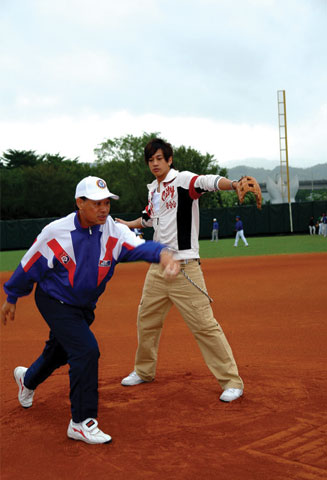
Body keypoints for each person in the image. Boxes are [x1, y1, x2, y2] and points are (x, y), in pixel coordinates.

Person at [1, 175, 179, 444]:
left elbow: (140, 247)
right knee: (85, 350)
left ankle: (28, 379)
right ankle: (82, 421)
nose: (104, 208)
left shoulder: (113, 231)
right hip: (54, 300)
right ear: (79, 203)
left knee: (59, 351)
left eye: (106, 202)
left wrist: (163, 255)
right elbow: (30, 264)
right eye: (96, 203)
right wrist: (12, 296)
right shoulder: (56, 232)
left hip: (83, 306)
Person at [116, 138, 244, 403]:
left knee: (205, 326)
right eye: (150, 160)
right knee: (146, 320)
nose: (155, 164)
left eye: (159, 159)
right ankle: (144, 370)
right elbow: (149, 220)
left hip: (185, 268)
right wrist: (127, 224)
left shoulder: (183, 180)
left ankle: (231, 381)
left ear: (169, 159)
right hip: (158, 268)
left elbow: (207, 181)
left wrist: (233, 184)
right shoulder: (153, 190)